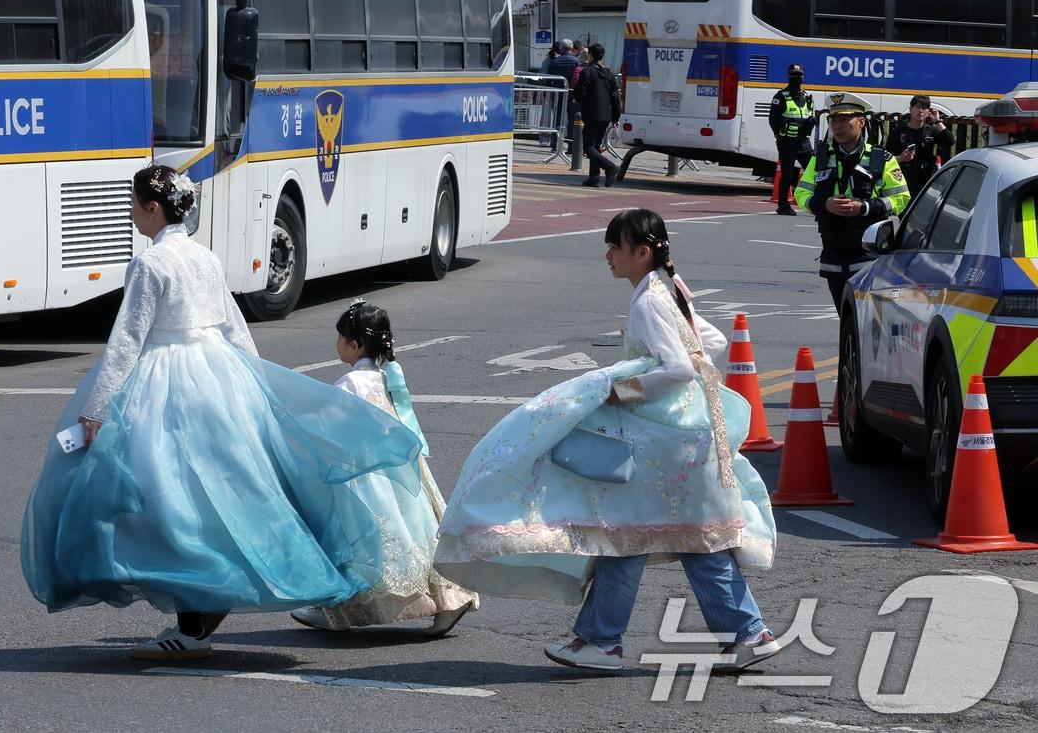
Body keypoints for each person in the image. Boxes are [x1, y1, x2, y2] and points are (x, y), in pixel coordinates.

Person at [20, 165, 423, 660]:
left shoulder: (150, 263)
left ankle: (192, 627)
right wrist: (255, 385)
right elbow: (233, 326)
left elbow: (127, 341)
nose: (131, 213)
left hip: (165, 382)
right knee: (224, 492)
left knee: (171, 500)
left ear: (152, 208)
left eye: (134, 204)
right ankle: (202, 615)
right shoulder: (206, 257)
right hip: (217, 377)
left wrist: (96, 406)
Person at [433, 208, 778, 673]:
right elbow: (709, 343)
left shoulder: (649, 301)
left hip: (665, 443)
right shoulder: (668, 289)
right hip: (691, 435)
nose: (608, 255)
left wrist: (625, 389)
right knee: (682, 537)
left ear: (643, 252)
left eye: (616, 246)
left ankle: (604, 640)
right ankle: (744, 634)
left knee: (628, 534)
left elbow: (677, 369)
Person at [291, 301, 479, 636]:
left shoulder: (352, 382)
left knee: (363, 536)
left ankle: (342, 608)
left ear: (354, 344)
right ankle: (450, 597)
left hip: (366, 472)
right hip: (401, 469)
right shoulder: (389, 377)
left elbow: (329, 426)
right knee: (418, 530)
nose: (337, 343)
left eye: (340, 337)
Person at [796, 93, 911, 315]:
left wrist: (864, 208)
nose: (837, 126)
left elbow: (901, 198)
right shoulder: (821, 158)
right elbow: (802, 193)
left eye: (844, 120)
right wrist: (825, 204)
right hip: (833, 252)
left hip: (868, 254)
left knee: (869, 319)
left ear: (861, 122)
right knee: (846, 319)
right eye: (833, 120)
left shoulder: (881, 159)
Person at [769, 63, 817, 216]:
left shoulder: (807, 96)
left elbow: (809, 115)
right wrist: (779, 136)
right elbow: (772, 120)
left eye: (800, 75)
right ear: (789, 76)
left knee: (815, 171)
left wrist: (811, 122)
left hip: (804, 143)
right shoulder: (780, 96)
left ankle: (817, 202)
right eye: (795, 75)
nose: (798, 78)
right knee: (787, 175)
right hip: (787, 142)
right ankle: (783, 206)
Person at [573, 42, 621, 188]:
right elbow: (615, 97)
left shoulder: (587, 72)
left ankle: (609, 167)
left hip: (591, 113)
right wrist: (615, 116)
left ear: (591, 55)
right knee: (595, 146)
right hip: (605, 115)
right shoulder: (609, 74)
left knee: (588, 147)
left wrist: (578, 98)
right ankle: (593, 177)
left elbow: (580, 93)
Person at [885, 95, 954, 195]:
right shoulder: (899, 131)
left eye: (924, 108)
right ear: (910, 109)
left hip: (926, 181)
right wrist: (901, 158)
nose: (920, 111)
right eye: (917, 107)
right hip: (903, 180)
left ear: (928, 112)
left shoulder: (930, 130)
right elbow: (887, 157)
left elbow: (950, 140)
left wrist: (937, 121)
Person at [548, 39, 585, 148]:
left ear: (561, 48)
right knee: (572, 118)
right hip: (572, 93)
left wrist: (548, 91)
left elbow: (549, 79)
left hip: (558, 93)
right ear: (571, 48)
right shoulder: (576, 61)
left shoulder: (555, 61)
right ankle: (571, 143)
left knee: (557, 118)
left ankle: (555, 143)